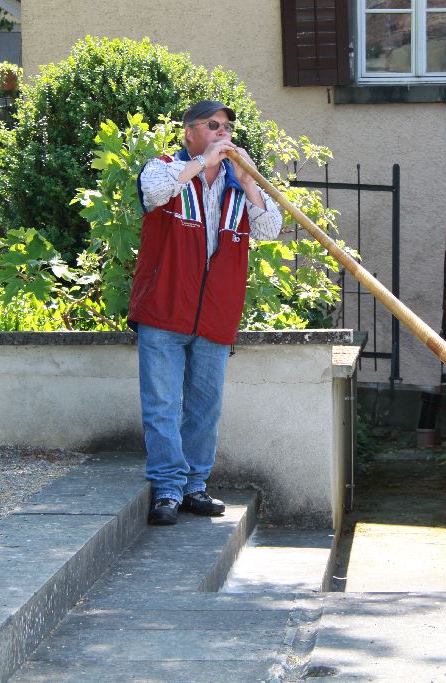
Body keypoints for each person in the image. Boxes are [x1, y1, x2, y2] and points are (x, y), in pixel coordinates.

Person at [130, 100, 283, 525]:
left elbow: (270, 230)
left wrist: (250, 181)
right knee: (162, 405)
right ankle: (167, 488)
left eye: (228, 127)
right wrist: (202, 163)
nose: (223, 133)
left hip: (215, 315)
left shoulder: (237, 185)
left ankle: (194, 486)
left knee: (204, 407)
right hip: (163, 311)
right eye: (213, 125)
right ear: (189, 132)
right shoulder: (164, 168)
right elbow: (153, 194)